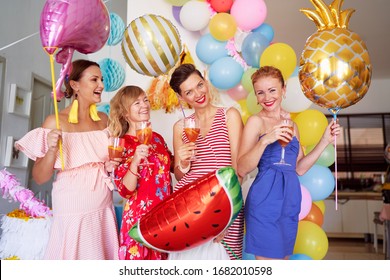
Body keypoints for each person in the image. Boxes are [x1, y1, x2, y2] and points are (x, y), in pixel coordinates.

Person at [14, 59, 119, 259]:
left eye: (102, 79)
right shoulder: (55, 121)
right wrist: (52, 149)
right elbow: (39, 177)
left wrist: (110, 165)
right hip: (73, 204)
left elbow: (108, 161)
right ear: (75, 85)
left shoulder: (104, 121)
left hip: (103, 203)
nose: (102, 85)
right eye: (94, 79)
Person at [237, 65, 341, 260]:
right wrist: (267, 139)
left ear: (283, 90)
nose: (267, 98)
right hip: (264, 201)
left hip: (290, 201)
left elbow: (299, 169)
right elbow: (242, 167)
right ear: (256, 96)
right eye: (260, 93)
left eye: (272, 90)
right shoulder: (255, 122)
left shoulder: (293, 126)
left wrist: (325, 140)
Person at [168, 63, 244, 260]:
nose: (198, 94)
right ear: (181, 97)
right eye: (189, 92)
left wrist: (225, 217)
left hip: (224, 202)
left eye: (200, 85)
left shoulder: (230, 116)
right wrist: (183, 163)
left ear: (205, 82)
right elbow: (180, 175)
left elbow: (237, 169)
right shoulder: (180, 127)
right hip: (189, 208)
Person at [108, 85, 173, 260]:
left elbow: (173, 169)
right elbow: (125, 190)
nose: (144, 105)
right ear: (125, 112)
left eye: (145, 100)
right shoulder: (121, 144)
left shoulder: (158, 139)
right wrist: (135, 161)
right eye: (136, 103)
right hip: (138, 220)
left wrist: (185, 158)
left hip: (164, 218)